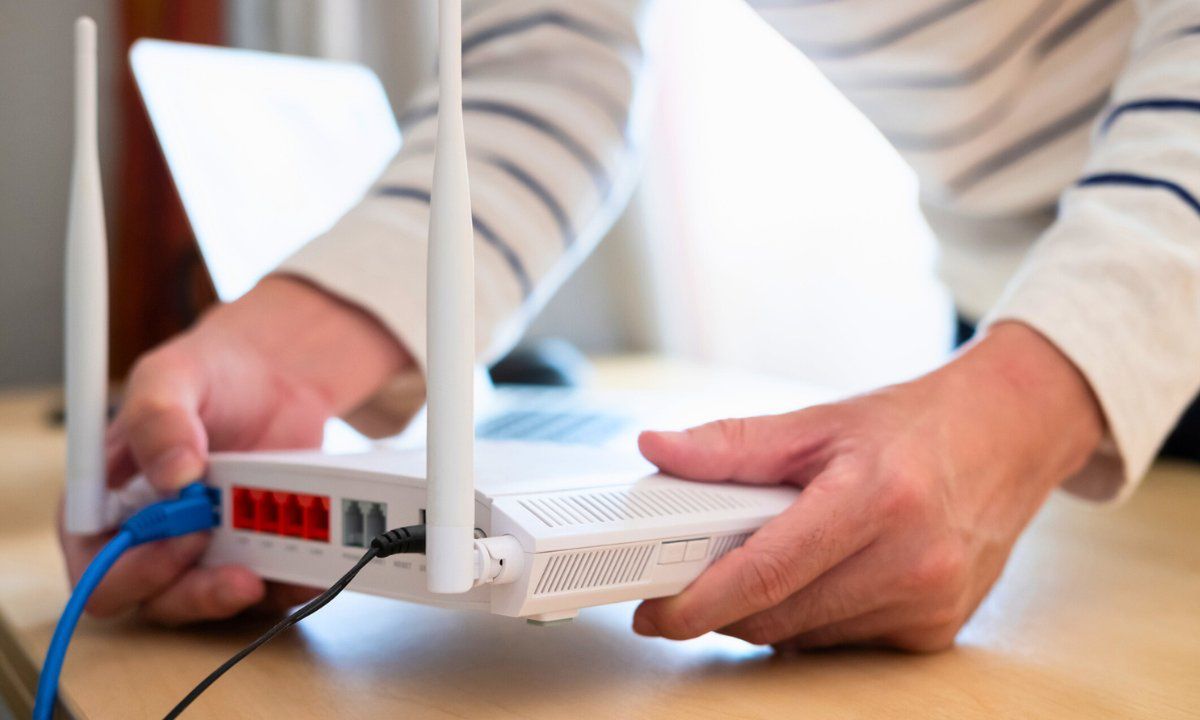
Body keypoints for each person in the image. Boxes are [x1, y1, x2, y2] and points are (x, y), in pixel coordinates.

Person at [61, 0, 1200, 650]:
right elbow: (544, 58)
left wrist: (1027, 399)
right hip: (1021, 295)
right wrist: (294, 340)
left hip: (1112, 296)